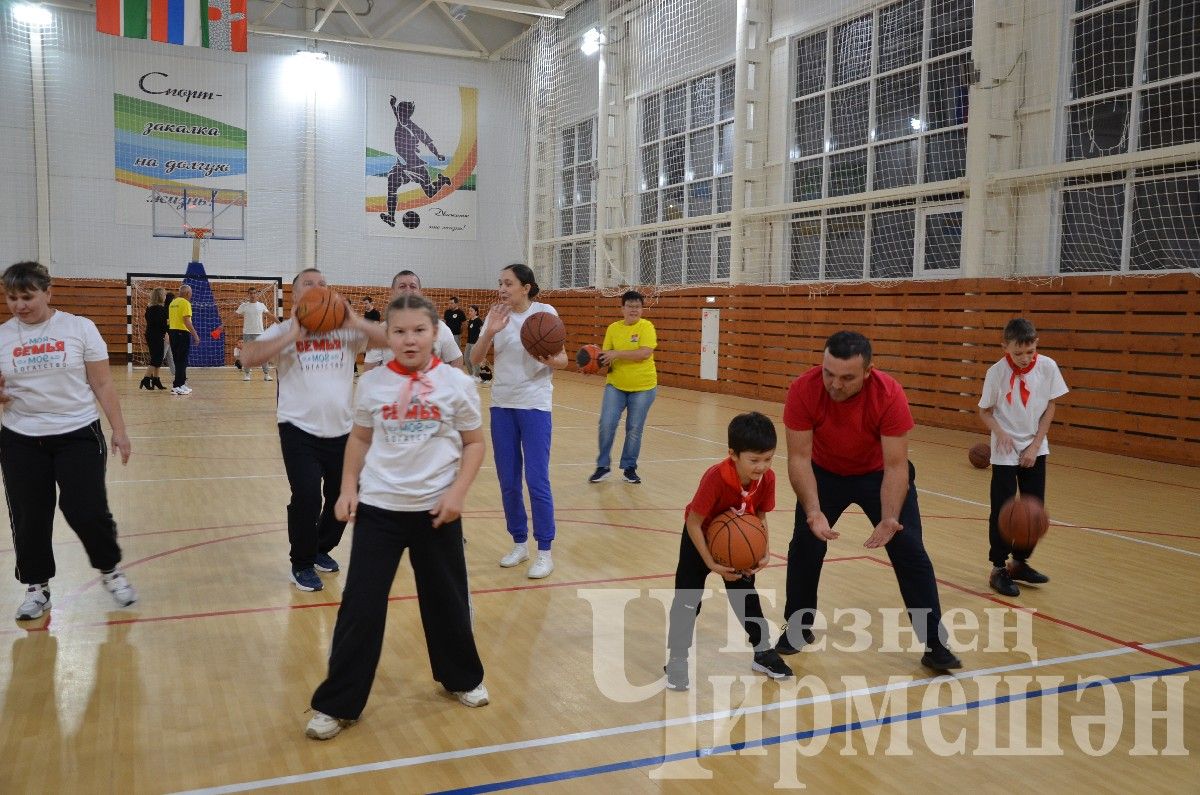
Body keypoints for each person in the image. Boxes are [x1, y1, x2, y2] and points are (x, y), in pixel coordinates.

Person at [305, 293, 488, 741]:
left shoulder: (457, 384)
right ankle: (338, 703)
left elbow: (475, 443)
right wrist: (348, 489)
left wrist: (458, 494)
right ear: (388, 335)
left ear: (435, 334)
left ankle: (461, 678)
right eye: (400, 331)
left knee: (446, 601)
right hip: (380, 510)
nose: (410, 339)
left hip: (436, 511)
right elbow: (360, 440)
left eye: (419, 330)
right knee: (359, 608)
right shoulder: (371, 384)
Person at [777, 330, 962, 672]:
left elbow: (896, 466)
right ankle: (798, 627)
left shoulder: (888, 393)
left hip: (878, 474)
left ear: (868, 371)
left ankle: (935, 643)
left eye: (847, 377)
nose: (835, 384)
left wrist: (891, 518)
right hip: (825, 473)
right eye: (828, 373)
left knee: (910, 551)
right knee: (805, 544)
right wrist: (814, 512)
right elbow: (799, 459)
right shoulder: (803, 389)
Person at [0, 261, 138, 620]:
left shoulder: (79, 328)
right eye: (12, 298)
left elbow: (103, 383)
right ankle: (37, 587)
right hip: (21, 438)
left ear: (48, 292)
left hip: (77, 433)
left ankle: (110, 570)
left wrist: (119, 430)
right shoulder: (2, 337)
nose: (19, 305)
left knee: (86, 510)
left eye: (27, 297)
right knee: (29, 516)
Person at [241, 269, 387, 592]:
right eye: (310, 284)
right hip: (297, 428)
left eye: (323, 284)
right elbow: (247, 357)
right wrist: (293, 333)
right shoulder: (282, 331)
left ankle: (320, 547)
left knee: (343, 494)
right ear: (295, 295)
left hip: (342, 430)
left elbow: (389, 339)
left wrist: (354, 321)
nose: (318, 288)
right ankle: (302, 563)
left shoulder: (345, 331)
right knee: (306, 495)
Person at [664, 412, 793, 691]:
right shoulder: (716, 477)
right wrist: (710, 561)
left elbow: (759, 514)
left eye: (768, 459)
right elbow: (694, 522)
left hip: (736, 543)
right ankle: (677, 658)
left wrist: (765, 551)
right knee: (688, 600)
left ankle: (762, 652)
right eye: (754, 460)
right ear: (733, 454)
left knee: (746, 597)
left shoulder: (767, 479)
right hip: (700, 539)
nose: (762, 466)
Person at [469, 264, 567, 579]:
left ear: (526, 287)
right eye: (500, 282)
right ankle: (519, 543)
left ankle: (545, 552)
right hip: (502, 405)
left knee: (537, 480)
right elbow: (475, 360)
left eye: (508, 283)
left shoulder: (545, 312)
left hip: (535, 406)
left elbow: (563, 358)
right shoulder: (496, 315)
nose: (502, 288)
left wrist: (551, 360)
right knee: (508, 481)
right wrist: (491, 332)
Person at [978, 317, 1068, 597]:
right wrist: (1000, 433)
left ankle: (1019, 562)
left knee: (1033, 509)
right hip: (1005, 452)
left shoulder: (1048, 367)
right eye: (1017, 353)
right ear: (1005, 346)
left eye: (1029, 352)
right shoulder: (996, 373)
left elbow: (1050, 407)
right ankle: (998, 568)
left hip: (1035, 447)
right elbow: (984, 411)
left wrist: (1034, 446)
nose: (1024, 358)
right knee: (1003, 510)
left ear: (1036, 344)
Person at [588, 290, 658, 485]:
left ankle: (629, 468)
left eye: (637, 307)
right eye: (630, 306)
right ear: (622, 309)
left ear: (642, 310)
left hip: (644, 387)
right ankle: (603, 467)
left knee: (634, 428)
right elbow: (605, 356)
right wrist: (591, 364)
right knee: (607, 423)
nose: (634, 310)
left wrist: (616, 354)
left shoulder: (647, 327)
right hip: (616, 385)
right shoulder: (613, 328)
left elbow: (644, 353)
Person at [364, 271, 463, 373]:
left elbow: (456, 359)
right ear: (392, 292)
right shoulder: (380, 332)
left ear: (420, 292)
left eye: (413, 286)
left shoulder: (440, 327)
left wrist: (451, 387)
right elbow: (369, 370)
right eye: (402, 286)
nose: (408, 290)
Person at [378, 96, 452, 227]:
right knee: (392, 181)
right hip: (401, 166)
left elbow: (428, 142)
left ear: (407, 114)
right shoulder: (400, 121)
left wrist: (437, 154)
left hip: (416, 167)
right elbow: (395, 113)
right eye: (399, 112)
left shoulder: (414, 129)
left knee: (430, 193)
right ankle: (391, 217)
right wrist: (392, 105)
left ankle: (442, 180)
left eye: (402, 113)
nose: (399, 115)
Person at [167, 284, 201, 395]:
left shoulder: (173, 303)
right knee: (182, 360)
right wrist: (195, 335)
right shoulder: (185, 303)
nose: (191, 295)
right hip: (182, 333)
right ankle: (176, 386)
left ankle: (181, 384)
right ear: (187, 293)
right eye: (190, 293)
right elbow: (187, 321)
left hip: (173, 333)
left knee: (178, 360)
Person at [235, 287, 272, 382]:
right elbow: (234, 315)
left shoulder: (261, 305)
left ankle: (266, 374)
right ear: (248, 294)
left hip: (260, 333)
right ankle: (247, 374)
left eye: (254, 293)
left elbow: (270, 315)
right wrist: (223, 324)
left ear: (256, 294)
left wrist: (279, 323)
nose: (252, 295)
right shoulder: (244, 306)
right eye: (251, 293)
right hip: (247, 334)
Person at [140, 287, 168, 390]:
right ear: (161, 296)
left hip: (150, 334)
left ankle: (156, 379)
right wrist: (167, 333)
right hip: (156, 336)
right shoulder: (161, 309)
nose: (165, 297)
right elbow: (163, 325)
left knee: (157, 358)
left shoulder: (149, 308)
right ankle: (146, 379)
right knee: (157, 358)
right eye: (164, 295)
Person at [463, 305, 483, 378]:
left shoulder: (479, 321)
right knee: (466, 358)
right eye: (469, 310)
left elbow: (482, 332)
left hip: (475, 343)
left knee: (474, 359)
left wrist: (480, 343)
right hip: (469, 342)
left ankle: (477, 376)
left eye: (471, 311)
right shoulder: (470, 320)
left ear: (476, 312)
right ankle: (471, 374)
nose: (469, 312)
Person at [163, 291, 175, 377]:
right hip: (166, 335)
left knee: (170, 355)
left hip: (168, 334)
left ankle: (175, 373)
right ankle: (152, 374)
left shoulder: (167, 308)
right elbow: (166, 323)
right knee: (161, 356)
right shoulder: (167, 309)